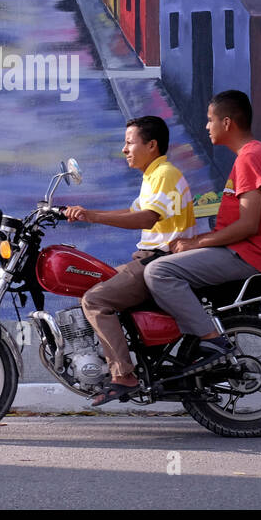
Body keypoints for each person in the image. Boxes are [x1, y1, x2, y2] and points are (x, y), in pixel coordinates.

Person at [143, 90, 261, 375]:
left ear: (227, 123)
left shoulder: (250, 158)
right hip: (238, 251)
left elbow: (249, 224)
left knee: (158, 273)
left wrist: (196, 242)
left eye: (210, 120)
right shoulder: (253, 155)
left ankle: (211, 342)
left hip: (245, 255)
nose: (206, 126)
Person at [63, 116, 195, 406]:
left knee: (95, 300)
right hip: (151, 258)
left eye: (129, 142)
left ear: (151, 144)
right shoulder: (154, 175)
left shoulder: (164, 173)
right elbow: (132, 211)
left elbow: (147, 217)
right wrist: (86, 213)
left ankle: (123, 375)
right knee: (97, 281)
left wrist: (93, 216)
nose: (124, 149)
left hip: (159, 260)